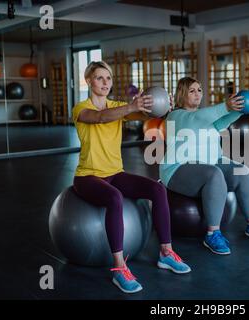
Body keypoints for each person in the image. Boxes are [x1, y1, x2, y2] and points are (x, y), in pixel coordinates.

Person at [72, 61, 191, 294]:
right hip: (87, 177)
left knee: (158, 190)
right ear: (88, 81)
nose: (105, 83)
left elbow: (140, 112)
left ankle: (166, 253)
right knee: (114, 197)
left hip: (115, 173)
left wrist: (156, 105)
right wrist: (130, 106)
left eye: (108, 78)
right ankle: (119, 268)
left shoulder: (118, 105)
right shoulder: (81, 108)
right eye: (99, 78)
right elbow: (100, 118)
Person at [159, 77, 249, 256]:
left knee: (242, 171)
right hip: (177, 169)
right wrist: (226, 106)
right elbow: (195, 118)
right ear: (182, 94)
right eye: (192, 91)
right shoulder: (176, 116)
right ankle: (212, 234)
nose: (198, 94)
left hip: (210, 162)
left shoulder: (205, 115)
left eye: (199, 90)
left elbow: (222, 122)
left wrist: (241, 110)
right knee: (214, 174)